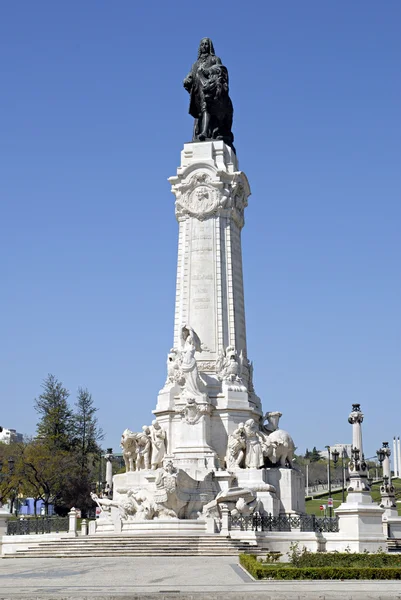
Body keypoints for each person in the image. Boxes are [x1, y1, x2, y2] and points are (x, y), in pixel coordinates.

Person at [183, 38, 234, 147]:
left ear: (210, 46)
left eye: (206, 44)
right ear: (200, 47)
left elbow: (220, 71)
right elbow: (191, 76)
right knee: (201, 113)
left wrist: (207, 72)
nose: (204, 46)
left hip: (210, 92)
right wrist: (187, 80)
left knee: (206, 108)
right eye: (202, 44)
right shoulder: (195, 64)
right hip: (198, 92)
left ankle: (205, 133)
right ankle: (203, 132)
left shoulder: (214, 59)